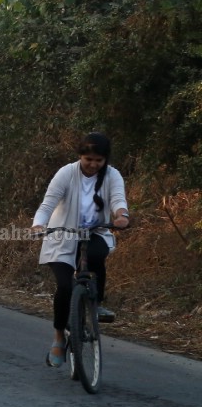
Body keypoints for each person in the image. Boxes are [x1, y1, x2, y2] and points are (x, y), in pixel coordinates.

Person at [31, 133, 130, 367]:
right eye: (88, 159)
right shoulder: (66, 173)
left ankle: (95, 302)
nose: (93, 164)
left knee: (97, 255)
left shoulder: (112, 175)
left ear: (105, 159)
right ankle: (58, 338)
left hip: (94, 232)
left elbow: (118, 199)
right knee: (65, 287)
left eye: (99, 160)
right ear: (80, 157)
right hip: (62, 235)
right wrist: (38, 224)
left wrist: (122, 215)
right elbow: (48, 203)